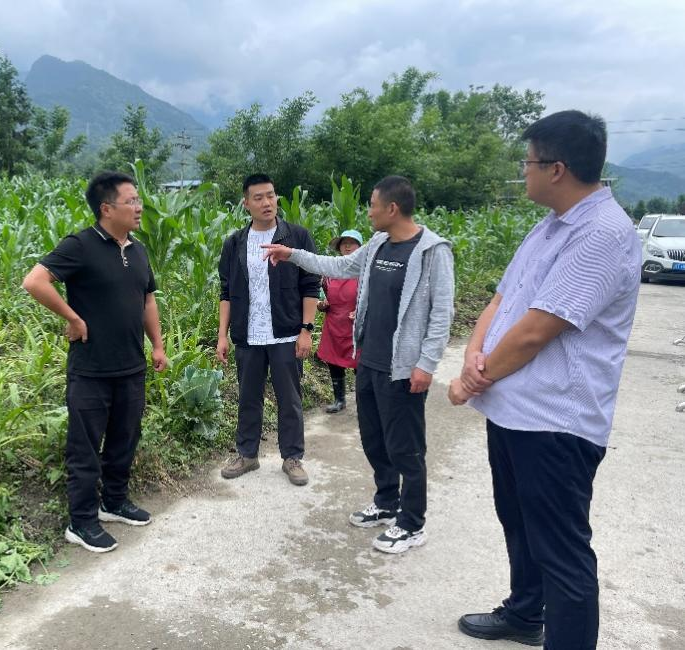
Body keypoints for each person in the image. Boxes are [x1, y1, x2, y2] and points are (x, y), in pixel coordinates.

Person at [448, 110, 641, 648]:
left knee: (562, 552)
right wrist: (472, 353)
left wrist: (471, 382)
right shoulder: (550, 226)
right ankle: (524, 613)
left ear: (557, 169)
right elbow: (502, 299)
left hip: (555, 421)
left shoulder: (603, 234)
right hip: (514, 412)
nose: (523, 171)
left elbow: (536, 331)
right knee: (519, 525)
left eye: (528, 162)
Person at [262, 175, 454, 554]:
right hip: (368, 361)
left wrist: (427, 364)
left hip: (404, 368)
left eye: (372, 205)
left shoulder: (432, 251)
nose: (368, 212)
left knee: (406, 447)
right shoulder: (377, 245)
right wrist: (292, 254)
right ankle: (386, 503)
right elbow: (337, 265)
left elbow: (441, 314)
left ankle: (412, 523)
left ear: (392, 209)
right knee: (374, 438)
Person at [22, 171, 167, 554]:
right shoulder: (81, 245)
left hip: (131, 366)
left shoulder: (138, 250)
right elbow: (35, 281)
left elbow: (147, 299)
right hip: (91, 370)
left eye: (138, 200)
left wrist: (157, 345)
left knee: (124, 439)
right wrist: (73, 318)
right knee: (85, 448)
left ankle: (114, 503)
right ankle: (82, 522)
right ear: (106, 208)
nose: (139, 207)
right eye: (131, 201)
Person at [216, 173, 320, 486]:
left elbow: (311, 285)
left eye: (271, 195)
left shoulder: (296, 237)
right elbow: (226, 291)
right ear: (246, 203)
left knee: (290, 399)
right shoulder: (235, 243)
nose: (267, 202)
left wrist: (306, 329)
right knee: (248, 397)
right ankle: (247, 454)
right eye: (258, 197)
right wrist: (222, 335)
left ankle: (292, 457)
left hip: (286, 333)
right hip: (248, 335)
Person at [317, 229, 363, 413]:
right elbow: (320, 297)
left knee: (360, 364)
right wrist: (322, 304)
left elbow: (377, 298)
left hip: (356, 327)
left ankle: (365, 401)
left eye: (352, 243)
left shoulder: (366, 270)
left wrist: (361, 311)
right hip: (334, 325)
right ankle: (339, 400)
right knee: (334, 362)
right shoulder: (329, 272)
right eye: (344, 243)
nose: (347, 246)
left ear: (360, 247)